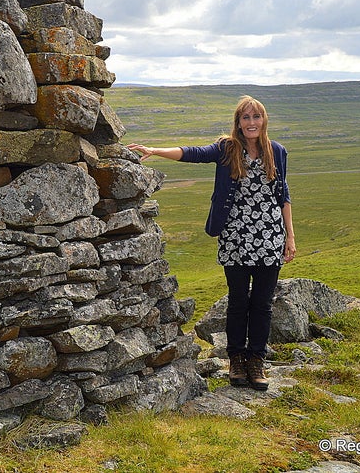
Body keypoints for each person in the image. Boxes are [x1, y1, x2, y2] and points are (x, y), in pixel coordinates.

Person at [127, 95, 296, 391]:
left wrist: (290, 237)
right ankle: (236, 361)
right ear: (238, 123)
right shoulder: (227, 149)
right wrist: (154, 150)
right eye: (246, 118)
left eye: (256, 117)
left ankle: (256, 360)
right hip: (235, 236)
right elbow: (192, 153)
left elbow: (283, 196)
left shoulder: (277, 152)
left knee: (263, 304)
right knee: (239, 301)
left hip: (270, 236)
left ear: (264, 121)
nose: (251, 123)